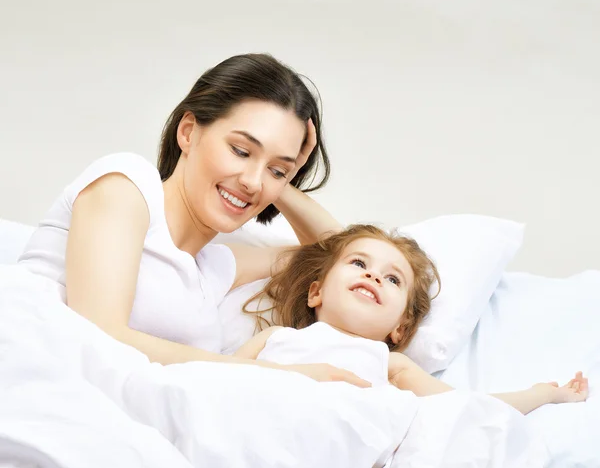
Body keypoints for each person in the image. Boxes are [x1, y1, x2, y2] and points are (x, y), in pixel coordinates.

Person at [16, 53, 369, 387]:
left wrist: (284, 180)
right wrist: (275, 375)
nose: (252, 181)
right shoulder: (125, 185)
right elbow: (99, 334)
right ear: (188, 132)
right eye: (241, 151)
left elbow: (340, 255)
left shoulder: (214, 268)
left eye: (275, 170)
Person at [236, 224, 589, 414]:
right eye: (359, 263)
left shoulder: (389, 363)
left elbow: (465, 408)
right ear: (316, 293)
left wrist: (543, 394)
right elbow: (213, 374)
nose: (374, 276)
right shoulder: (274, 338)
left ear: (400, 327)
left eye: (393, 279)